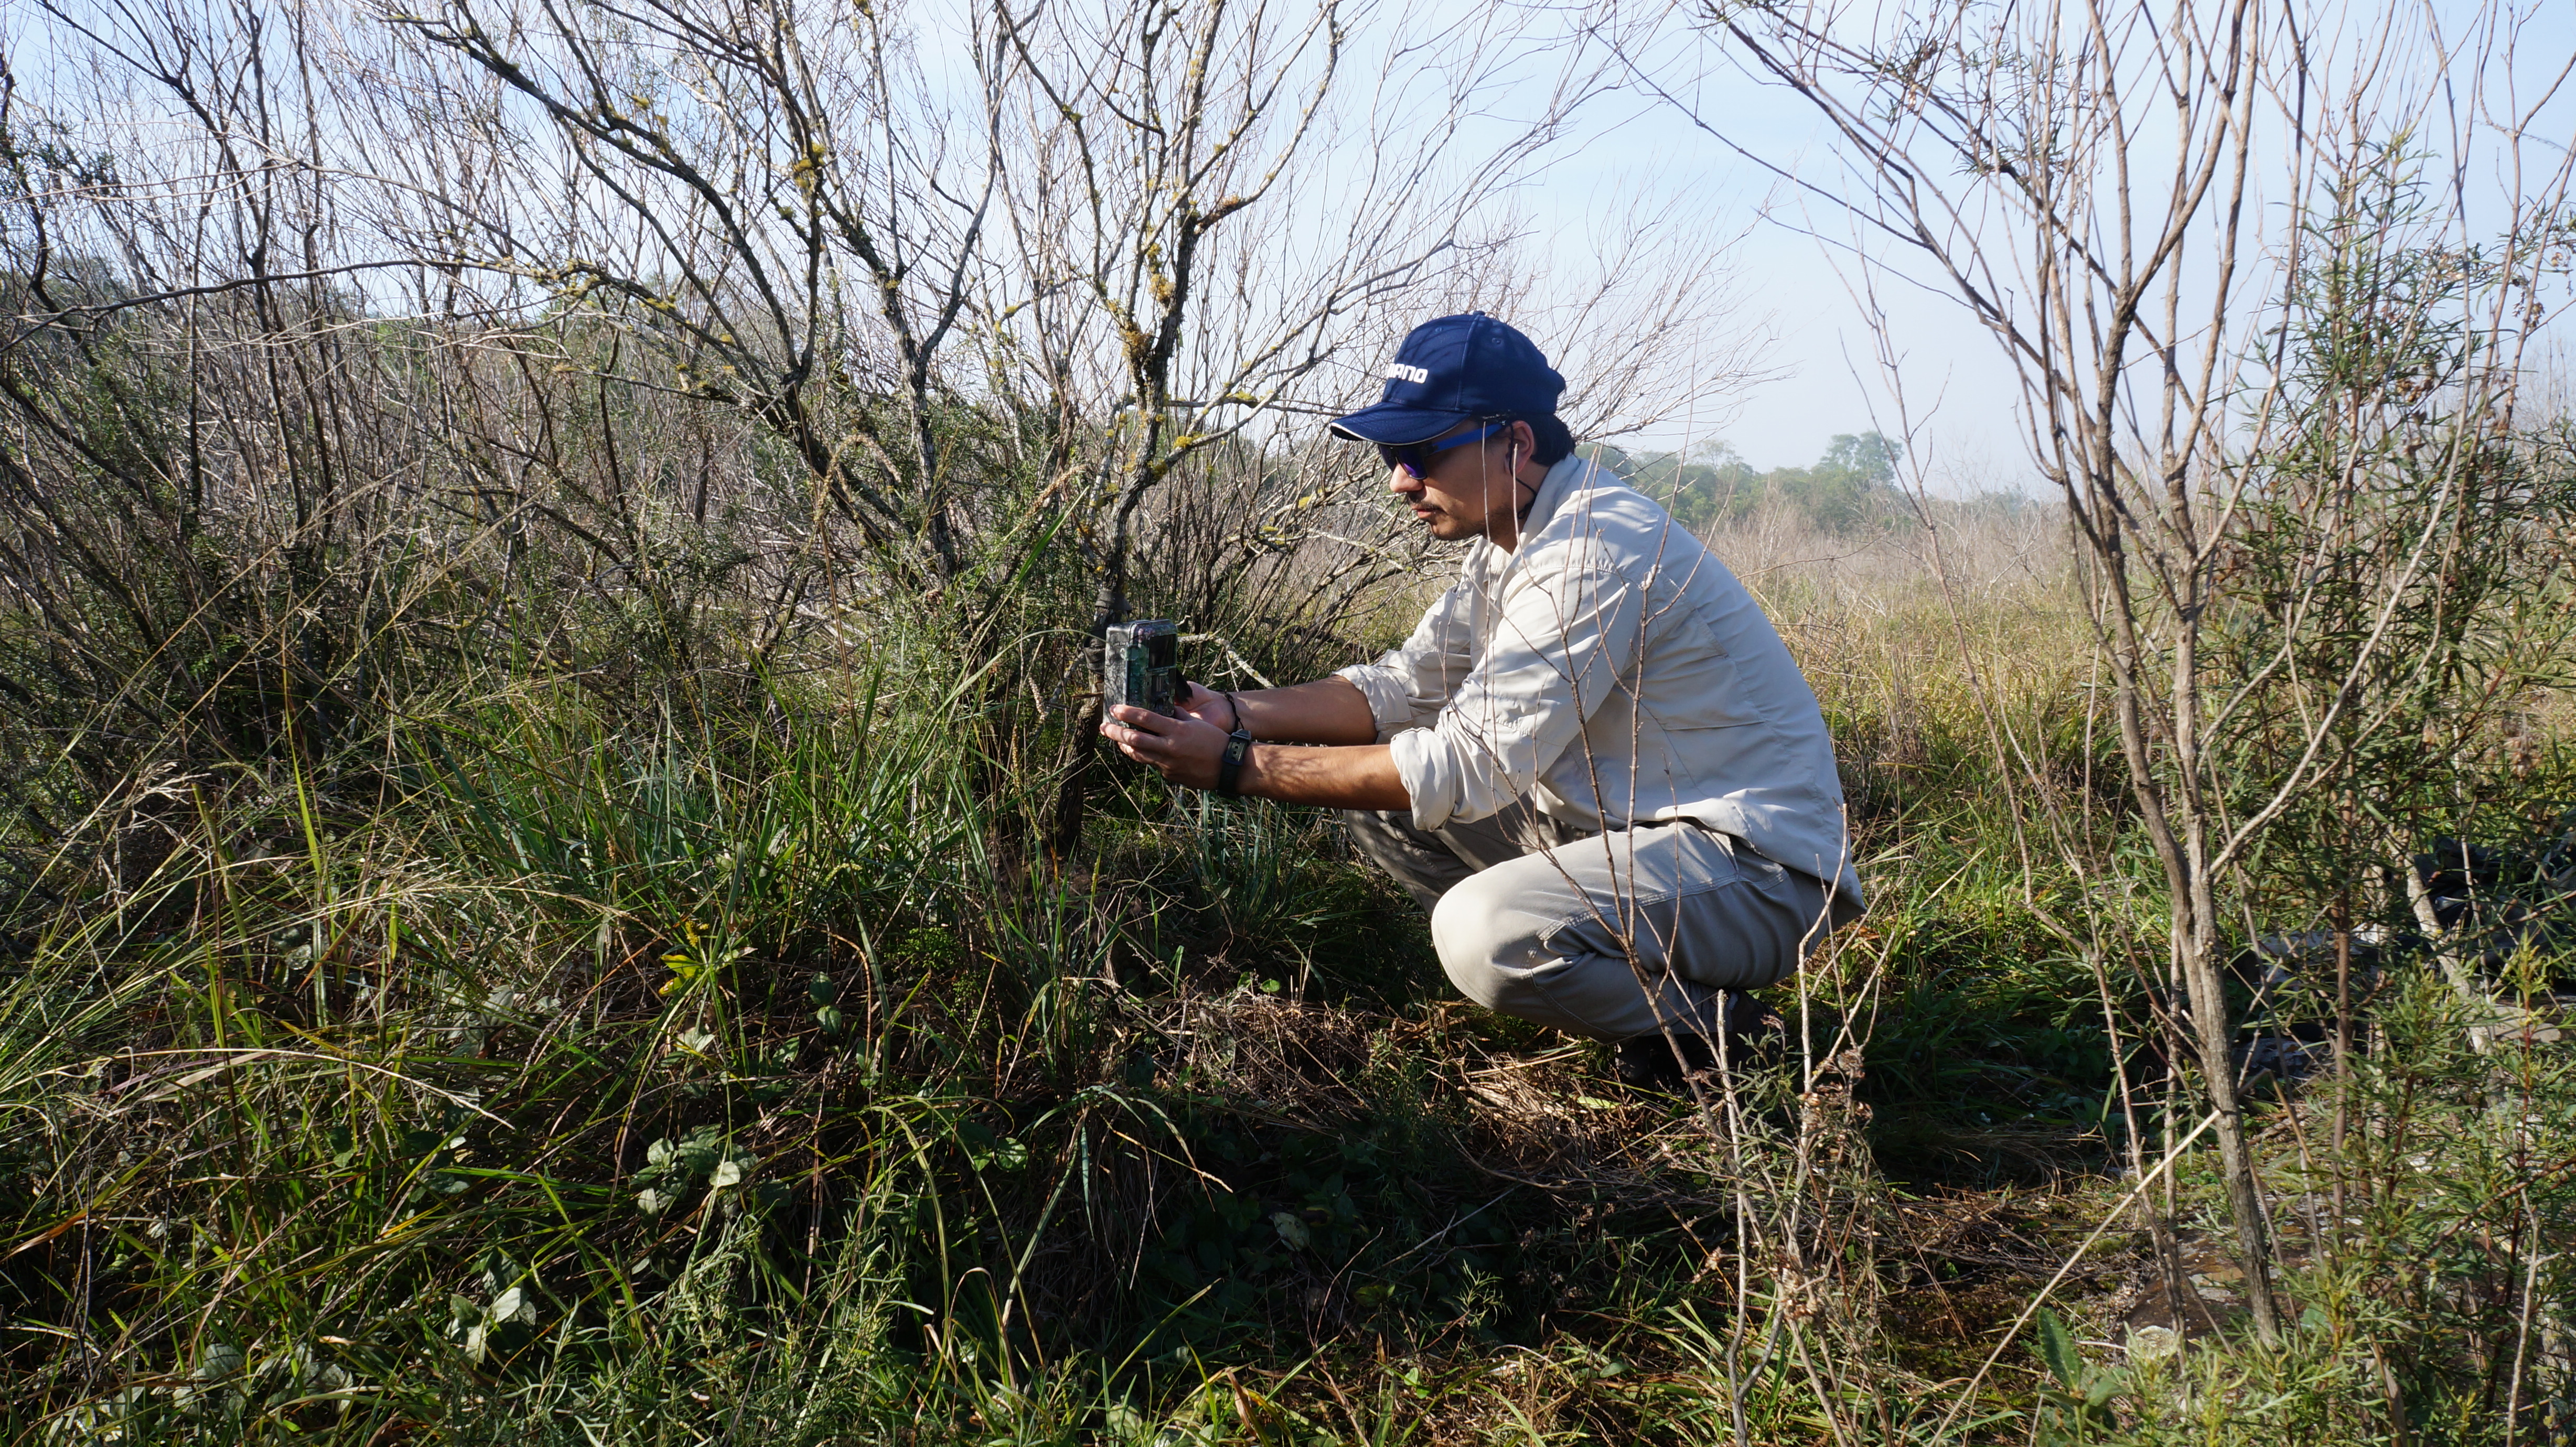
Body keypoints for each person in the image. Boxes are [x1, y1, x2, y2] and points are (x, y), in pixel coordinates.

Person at [1100, 312, 1862, 1085]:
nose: (1399, 479)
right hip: (1633, 833)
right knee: (1380, 801)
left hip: (1755, 873)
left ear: (1516, 443)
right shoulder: (1520, 538)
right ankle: (1626, 989)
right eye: (1392, 453)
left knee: (1484, 932)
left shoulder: (1589, 552)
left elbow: (1467, 765)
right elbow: (1403, 687)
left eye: (1421, 451)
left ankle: (1721, 1033)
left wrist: (1235, 765)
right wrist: (1232, 712)